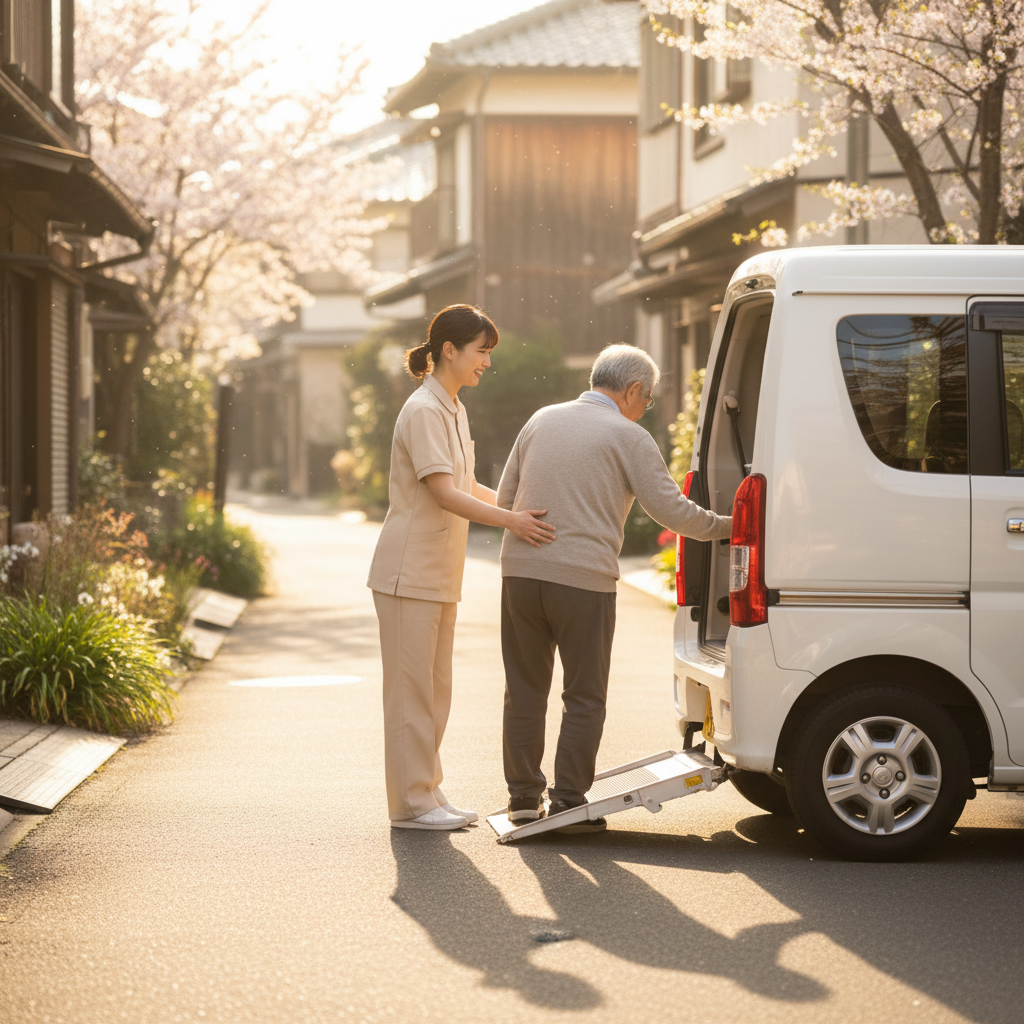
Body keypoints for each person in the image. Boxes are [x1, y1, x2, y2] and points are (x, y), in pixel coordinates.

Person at [497, 344, 733, 833]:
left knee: (524, 690)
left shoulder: (540, 419)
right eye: (646, 400)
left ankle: (522, 799)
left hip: (519, 572)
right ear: (632, 391)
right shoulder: (628, 434)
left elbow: (505, 500)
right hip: (582, 580)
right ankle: (566, 802)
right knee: (584, 694)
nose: (644, 407)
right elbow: (673, 512)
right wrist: (734, 525)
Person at [367, 305, 557, 831]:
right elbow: (444, 493)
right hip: (409, 572)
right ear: (448, 350)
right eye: (481, 352)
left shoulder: (451, 405)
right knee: (411, 695)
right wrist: (511, 522)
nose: (486, 364)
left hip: (438, 574)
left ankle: (426, 790)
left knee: (435, 691)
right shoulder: (425, 409)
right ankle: (410, 804)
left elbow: (467, 483)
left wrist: (515, 510)